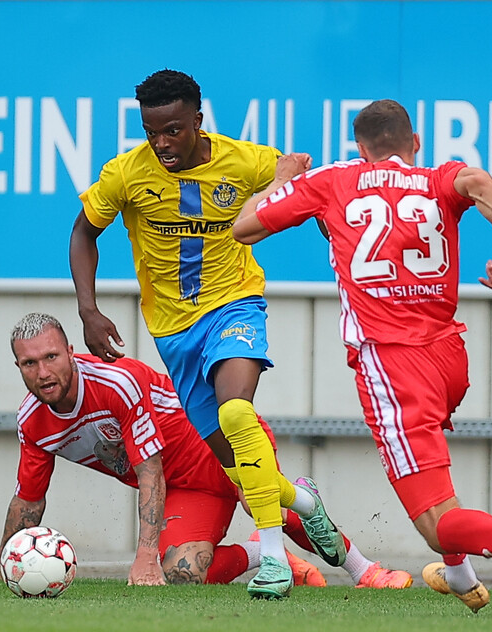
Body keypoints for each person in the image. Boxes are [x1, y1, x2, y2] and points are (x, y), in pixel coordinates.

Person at [232, 99, 492, 621]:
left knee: (434, 522)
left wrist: (279, 178)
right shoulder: (438, 178)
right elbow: (478, 183)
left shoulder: (334, 180)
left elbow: (244, 227)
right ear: (415, 143)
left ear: (360, 149)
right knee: (437, 484)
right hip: (449, 357)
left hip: (392, 367)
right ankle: (459, 575)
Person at [69, 69, 346, 599]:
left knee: (236, 411)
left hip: (234, 305)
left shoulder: (242, 161)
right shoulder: (127, 174)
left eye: (173, 130)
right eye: (152, 132)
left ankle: (273, 562)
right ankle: (305, 504)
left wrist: (296, 186)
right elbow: (84, 230)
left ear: (197, 120)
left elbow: (308, 187)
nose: (162, 143)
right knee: (237, 465)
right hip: (174, 334)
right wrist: (89, 309)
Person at [0, 312, 414, 591]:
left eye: (51, 357)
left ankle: (364, 572)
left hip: (222, 449)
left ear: (71, 352)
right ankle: (260, 552)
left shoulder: (115, 381)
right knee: (180, 575)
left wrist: (143, 555)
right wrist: (0, 567)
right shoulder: (33, 421)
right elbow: (29, 499)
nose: (43, 372)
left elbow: (148, 471)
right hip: (183, 488)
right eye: (30, 363)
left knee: (279, 513)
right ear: (18, 368)